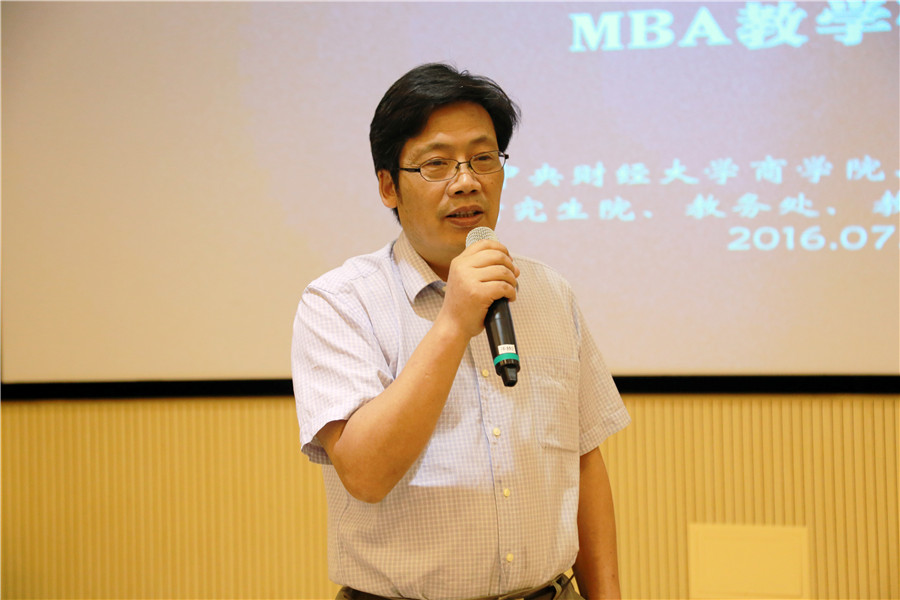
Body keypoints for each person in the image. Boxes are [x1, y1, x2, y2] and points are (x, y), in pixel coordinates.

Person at [291, 63, 631, 600]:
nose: (468, 181)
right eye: (437, 164)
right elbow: (365, 474)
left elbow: (584, 464)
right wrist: (453, 322)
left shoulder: (548, 292)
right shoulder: (340, 301)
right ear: (388, 186)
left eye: (483, 158)